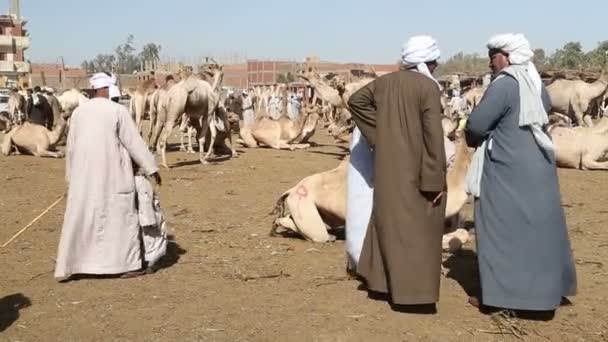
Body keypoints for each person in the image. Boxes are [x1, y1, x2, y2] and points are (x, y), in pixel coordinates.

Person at [464, 34, 577, 312]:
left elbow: (476, 126)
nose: (490, 63)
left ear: (507, 56)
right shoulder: (536, 85)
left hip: (506, 169)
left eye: (493, 57)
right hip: (539, 167)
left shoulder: (504, 84)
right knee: (540, 230)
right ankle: (549, 290)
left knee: (500, 229)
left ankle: (504, 297)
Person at [347, 35, 447, 310]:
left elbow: (356, 101)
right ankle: (413, 295)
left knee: (387, 222)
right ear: (427, 61)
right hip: (418, 169)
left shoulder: (385, 83)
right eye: (435, 60)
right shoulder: (428, 88)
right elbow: (433, 136)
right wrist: (435, 178)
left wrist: (379, 136)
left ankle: (380, 284)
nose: (437, 64)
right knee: (418, 229)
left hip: (388, 166)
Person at [55, 72, 162, 281]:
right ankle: (123, 264)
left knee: (84, 216)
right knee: (119, 218)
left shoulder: (79, 113)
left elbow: (71, 148)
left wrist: (71, 177)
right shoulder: (117, 111)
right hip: (113, 174)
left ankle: (78, 263)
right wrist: (152, 168)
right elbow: (134, 142)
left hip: (84, 177)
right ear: (106, 90)